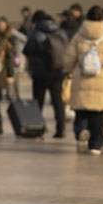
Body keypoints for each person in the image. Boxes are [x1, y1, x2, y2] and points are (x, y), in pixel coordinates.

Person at [63, 6, 103, 155]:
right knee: (99, 114)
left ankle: (81, 130)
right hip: (102, 79)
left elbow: (69, 58)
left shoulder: (79, 35)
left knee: (81, 111)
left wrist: (68, 71)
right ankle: (95, 144)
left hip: (81, 77)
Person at [24, 10, 68, 138]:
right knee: (58, 101)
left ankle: (37, 129)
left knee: (38, 102)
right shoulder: (60, 32)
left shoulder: (35, 33)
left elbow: (27, 50)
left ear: (36, 21)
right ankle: (61, 129)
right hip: (58, 71)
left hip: (40, 73)